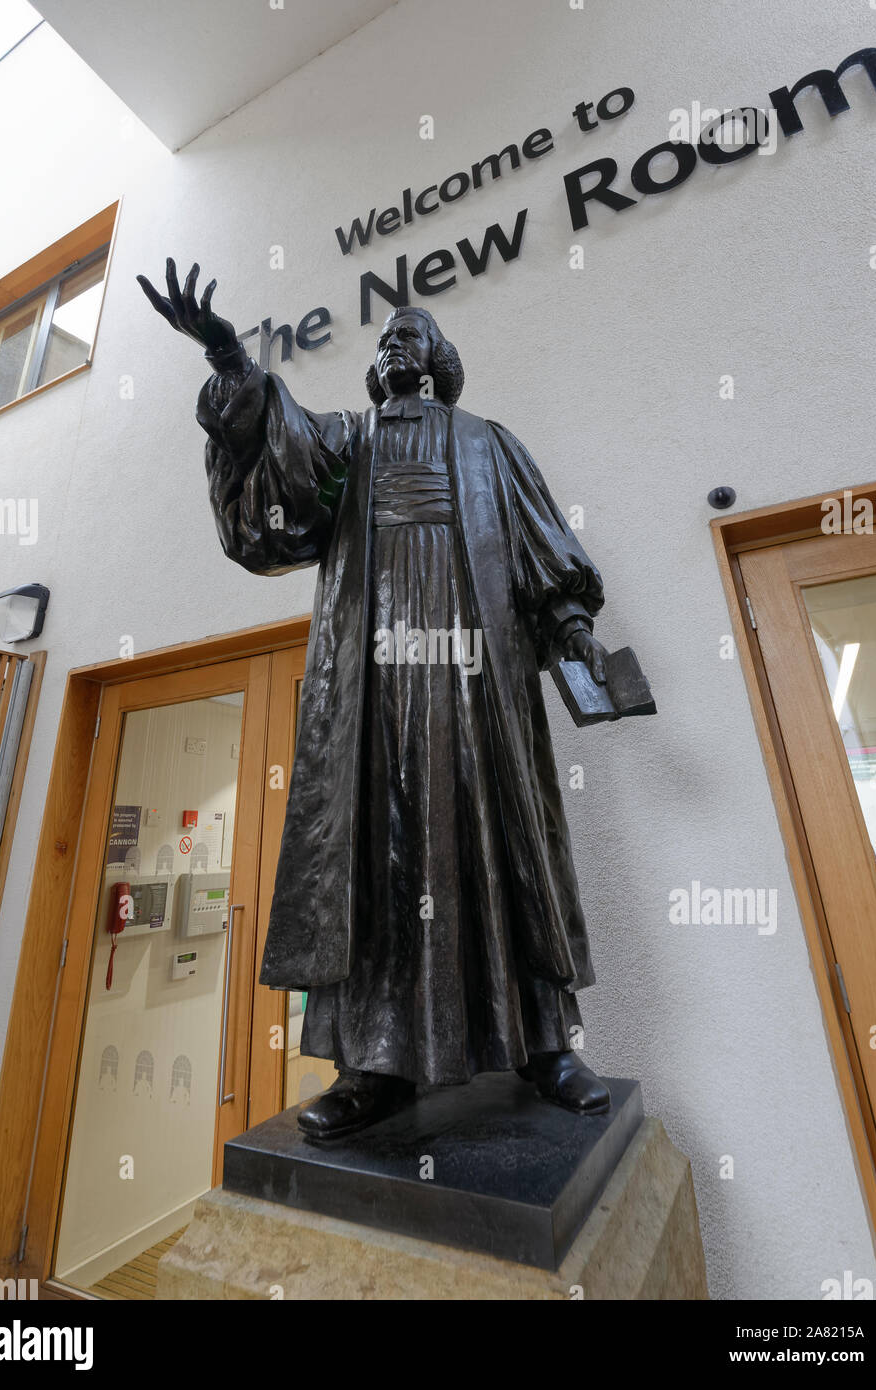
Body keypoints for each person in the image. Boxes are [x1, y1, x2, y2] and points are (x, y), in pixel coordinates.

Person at [139, 261, 613, 1138]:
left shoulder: (490, 445)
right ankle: (375, 1066)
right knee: (373, 856)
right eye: (385, 338)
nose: (393, 345)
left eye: (409, 336)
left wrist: (577, 628)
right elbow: (276, 464)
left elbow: (549, 558)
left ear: (438, 360)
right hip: (371, 691)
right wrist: (226, 355)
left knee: (502, 839)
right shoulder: (346, 445)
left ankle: (547, 1045)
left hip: (477, 682)